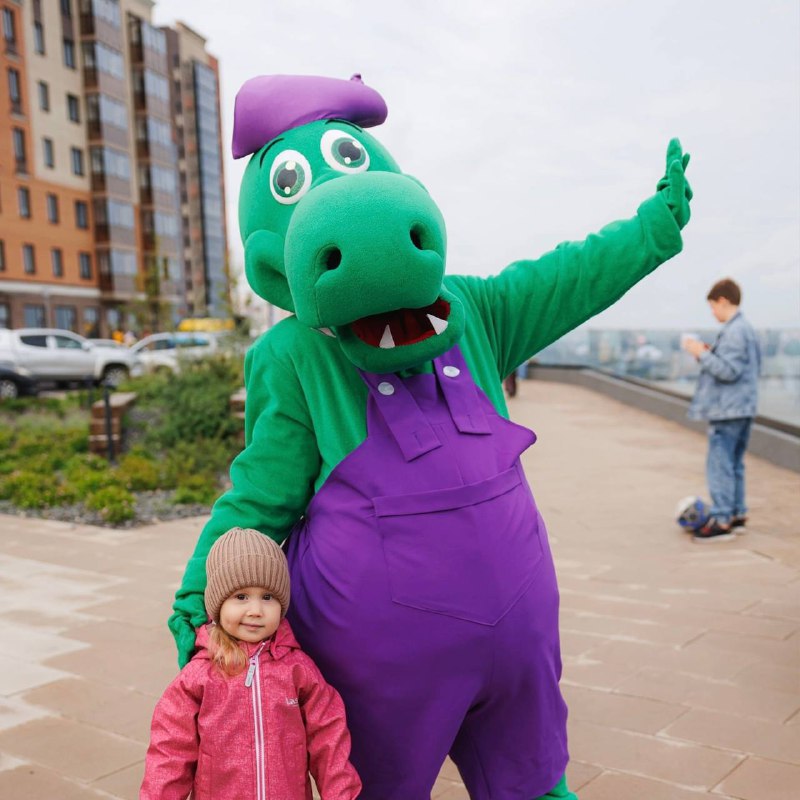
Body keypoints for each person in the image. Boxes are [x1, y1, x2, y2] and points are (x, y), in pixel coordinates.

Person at [140, 527, 361, 800]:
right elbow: (170, 751)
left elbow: (329, 741)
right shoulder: (199, 676)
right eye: (241, 596)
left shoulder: (298, 670)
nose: (256, 610)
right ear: (218, 605)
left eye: (267, 597)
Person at [682, 278, 760, 541]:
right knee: (734, 464)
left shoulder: (735, 331)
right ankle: (737, 513)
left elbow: (728, 371)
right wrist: (708, 353)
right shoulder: (745, 328)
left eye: (713, 307)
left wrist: (700, 353)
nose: (713, 312)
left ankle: (723, 519)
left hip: (728, 410)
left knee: (720, 464)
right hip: (742, 407)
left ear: (723, 301)